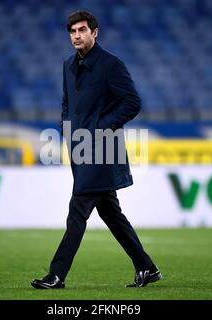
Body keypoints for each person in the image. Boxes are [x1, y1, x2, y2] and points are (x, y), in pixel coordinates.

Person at [31, 10, 161, 289]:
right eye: (72, 31)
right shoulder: (68, 65)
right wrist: (68, 130)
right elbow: (67, 103)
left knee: (77, 211)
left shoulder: (111, 65)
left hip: (102, 151)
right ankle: (147, 267)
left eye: (82, 30)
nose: (76, 36)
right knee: (110, 213)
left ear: (95, 32)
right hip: (80, 149)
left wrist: (99, 128)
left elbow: (132, 103)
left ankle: (57, 275)